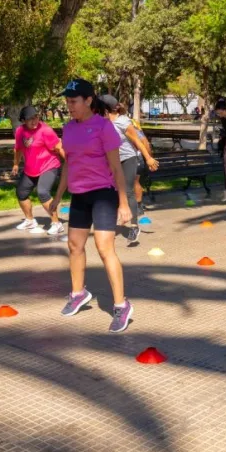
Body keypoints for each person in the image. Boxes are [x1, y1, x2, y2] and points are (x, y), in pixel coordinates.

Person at [51, 79, 134, 333]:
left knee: (103, 247)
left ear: (88, 100)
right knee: (74, 245)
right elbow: (68, 165)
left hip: (103, 194)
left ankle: (121, 305)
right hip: (79, 195)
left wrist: (123, 203)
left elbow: (116, 168)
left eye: (74, 101)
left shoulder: (104, 127)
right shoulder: (69, 128)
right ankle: (78, 293)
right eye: (67, 101)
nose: (69, 106)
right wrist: (57, 197)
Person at [102, 95, 159, 245]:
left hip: (128, 159)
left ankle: (134, 226)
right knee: (111, 191)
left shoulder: (123, 121)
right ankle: (111, 225)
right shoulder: (102, 123)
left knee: (127, 190)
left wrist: (148, 158)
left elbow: (137, 141)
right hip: (111, 161)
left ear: (106, 109)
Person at [12, 105, 65, 235]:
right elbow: (18, 149)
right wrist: (16, 164)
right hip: (31, 168)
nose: (34, 121)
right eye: (30, 119)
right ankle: (30, 221)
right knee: (21, 193)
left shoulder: (45, 130)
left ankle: (56, 223)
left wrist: (71, 164)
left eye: (36, 117)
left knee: (42, 192)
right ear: (23, 120)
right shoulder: (20, 131)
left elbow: (59, 147)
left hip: (49, 165)